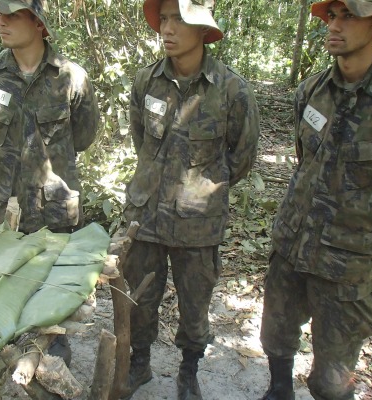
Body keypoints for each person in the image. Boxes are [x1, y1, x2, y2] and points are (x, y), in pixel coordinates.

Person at [260, 1, 372, 399]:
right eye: (331, 16)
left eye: (348, 16)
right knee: (277, 333)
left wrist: (349, 215)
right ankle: (277, 390)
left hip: (345, 261)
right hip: (291, 243)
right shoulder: (310, 91)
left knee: (332, 378)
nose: (334, 25)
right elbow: (307, 161)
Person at [120, 1, 260, 398]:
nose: (167, 27)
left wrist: (202, 189)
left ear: (202, 30)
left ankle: (188, 373)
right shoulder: (146, 81)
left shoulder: (231, 90)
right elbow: (141, 142)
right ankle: (140, 364)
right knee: (140, 296)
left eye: (178, 19)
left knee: (195, 304)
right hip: (145, 215)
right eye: (163, 18)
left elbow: (242, 157)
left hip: (199, 222)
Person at [0, 0, 99, 364]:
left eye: (12, 14)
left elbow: (84, 136)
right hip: (3, 206)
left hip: (52, 207)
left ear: (39, 23)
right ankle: (1, 346)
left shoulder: (72, 78)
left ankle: (54, 345)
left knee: (52, 286)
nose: (1, 21)